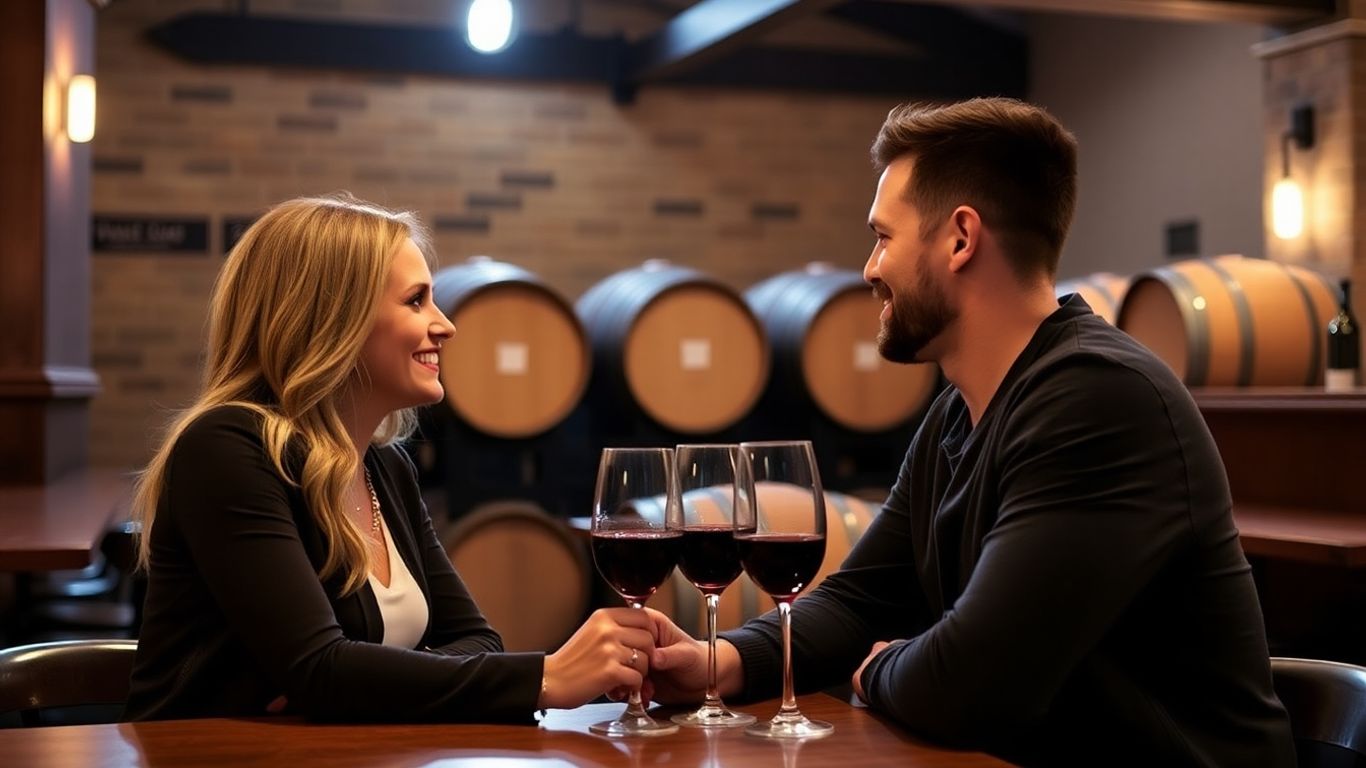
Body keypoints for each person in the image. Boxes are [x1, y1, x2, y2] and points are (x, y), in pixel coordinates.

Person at [644, 98, 1296, 765]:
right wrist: (719, 661)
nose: (869, 268)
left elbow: (973, 686)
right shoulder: (962, 410)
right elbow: (861, 598)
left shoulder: (1099, 401)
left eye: (883, 237)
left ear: (960, 238)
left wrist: (880, 669)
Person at [125, 194, 652, 722]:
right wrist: (545, 677)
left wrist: (366, 680)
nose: (445, 325)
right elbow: (322, 671)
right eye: (417, 301)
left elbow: (478, 640)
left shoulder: (385, 468)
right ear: (335, 320)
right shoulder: (229, 450)